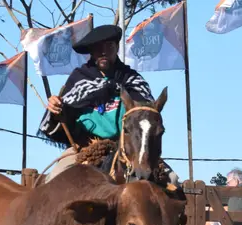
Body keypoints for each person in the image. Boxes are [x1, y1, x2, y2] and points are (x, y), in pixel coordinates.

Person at [38, 24, 155, 182]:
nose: (103, 52)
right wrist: (56, 108)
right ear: (91, 52)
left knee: (172, 179)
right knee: (56, 178)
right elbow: (63, 114)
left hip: (129, 150)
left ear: (117, 48)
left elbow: (147, 115)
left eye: (109, 46)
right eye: (98, 48)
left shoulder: (133, 80)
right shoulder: (79, 79)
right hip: (83, 149)